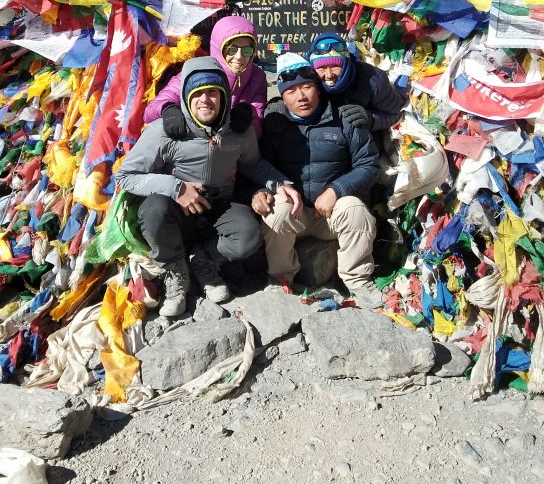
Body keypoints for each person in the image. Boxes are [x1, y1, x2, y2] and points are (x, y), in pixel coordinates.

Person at [116, 56, 301, 317]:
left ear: (224, 95)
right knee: (153, 210)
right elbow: (125, 176)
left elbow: (253, 164)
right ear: (186, 97)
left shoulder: (239, 130)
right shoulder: (164, 131)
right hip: (176, 211)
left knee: (248, 236)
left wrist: (279, 183)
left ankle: (203, 260)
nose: (205, 100)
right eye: (197, 93)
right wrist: (176, 187)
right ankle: (175, 270)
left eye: (212, 92)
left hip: (219, 206)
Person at [253, 52, 383, 309]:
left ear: (319, 89)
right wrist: (260, 191)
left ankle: (356, 278)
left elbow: (369, 164)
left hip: (331, 215)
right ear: (282, 96)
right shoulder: (275, 123)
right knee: (275, 210)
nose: (301, 97)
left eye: (307, 87)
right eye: (291, 91)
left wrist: (338, 189)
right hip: (296, 215)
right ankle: (281, 278)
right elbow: (259, 166)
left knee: (355, 210)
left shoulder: (344, 118)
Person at [144, 15, 267, 138]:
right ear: (218, 47)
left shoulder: (257, 76)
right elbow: (150, 111)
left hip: (233, 150)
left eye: (247, 51)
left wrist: (250, 113)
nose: (239, 56)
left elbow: (257, 130)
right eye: (232, 49)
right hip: (195, 144)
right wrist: (168, 110)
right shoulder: (196, 72)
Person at [305, 31, 406, 132]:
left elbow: (396, 114)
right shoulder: (307, 82)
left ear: (346, 63)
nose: (329, 75)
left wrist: (370, 119)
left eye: (335, 66)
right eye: (321, 67)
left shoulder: (373, 79)